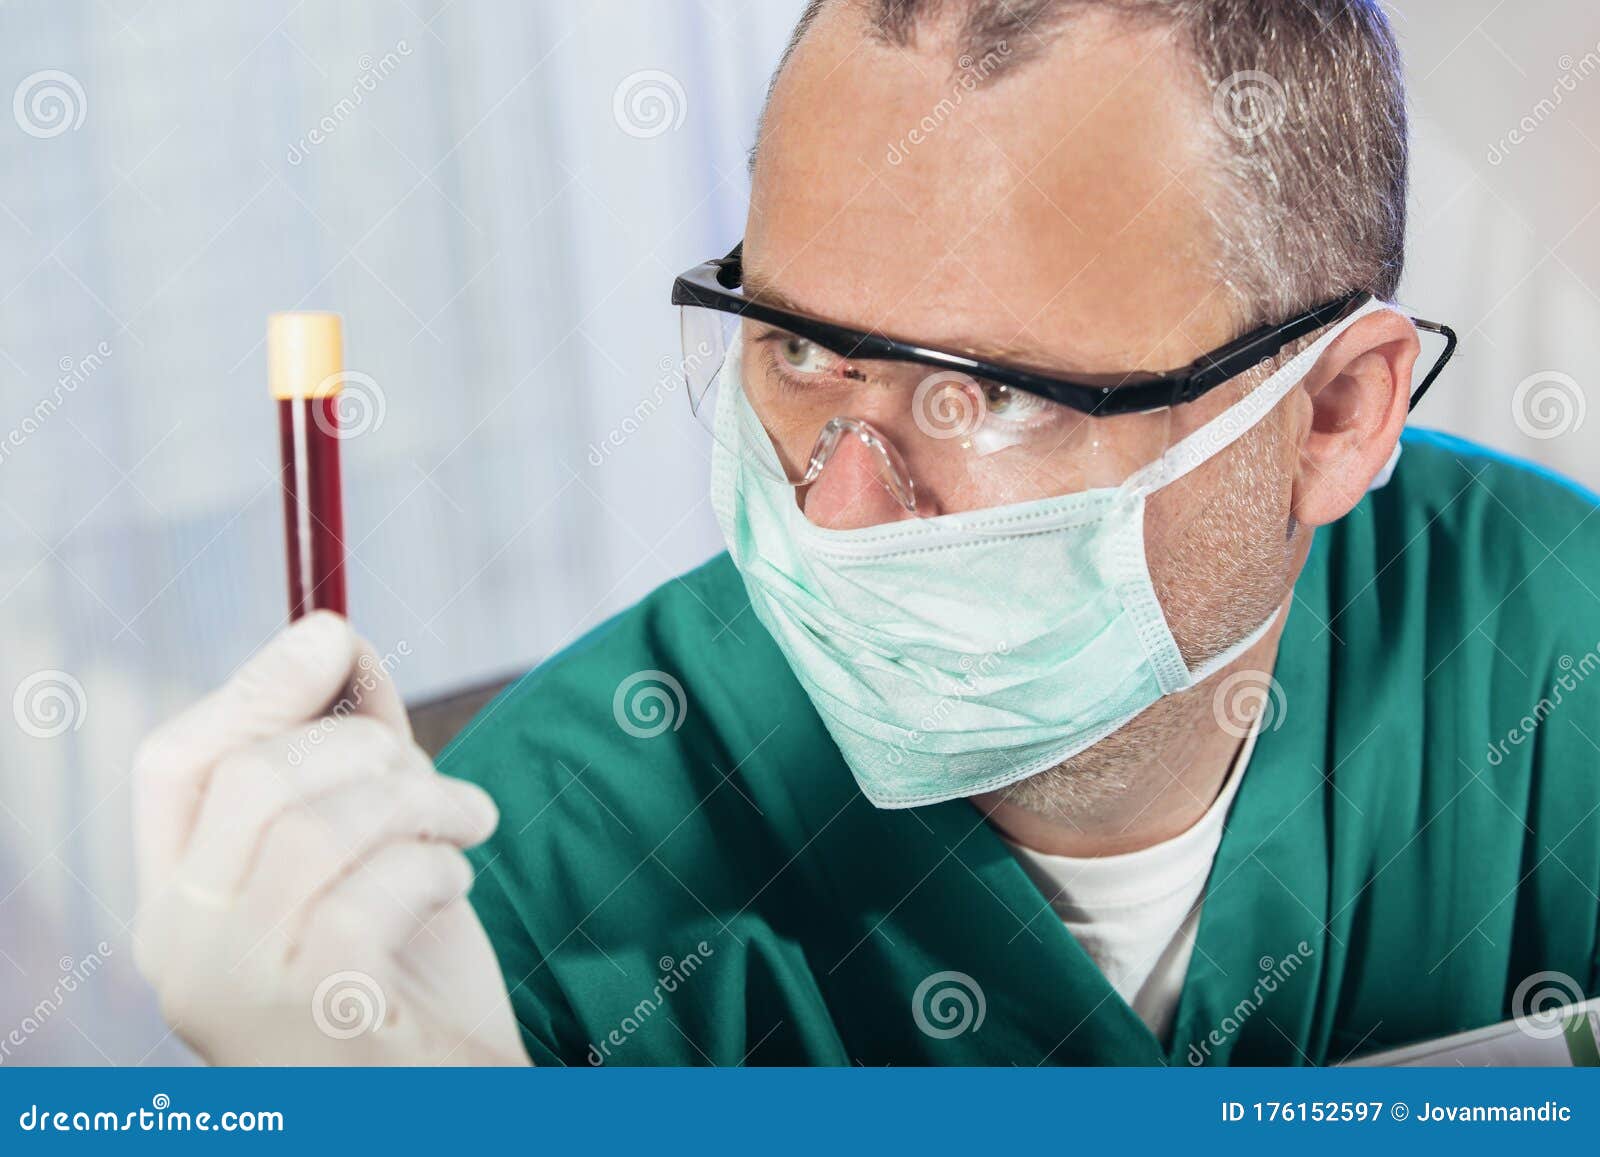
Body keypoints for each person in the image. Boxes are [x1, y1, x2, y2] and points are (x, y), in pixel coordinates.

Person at [132, 0, 1600, 1066]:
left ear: (1336, 413)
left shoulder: (1553, 654)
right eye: (793, 351)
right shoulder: (525, 881)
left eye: (984, 396)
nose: (835, 509)